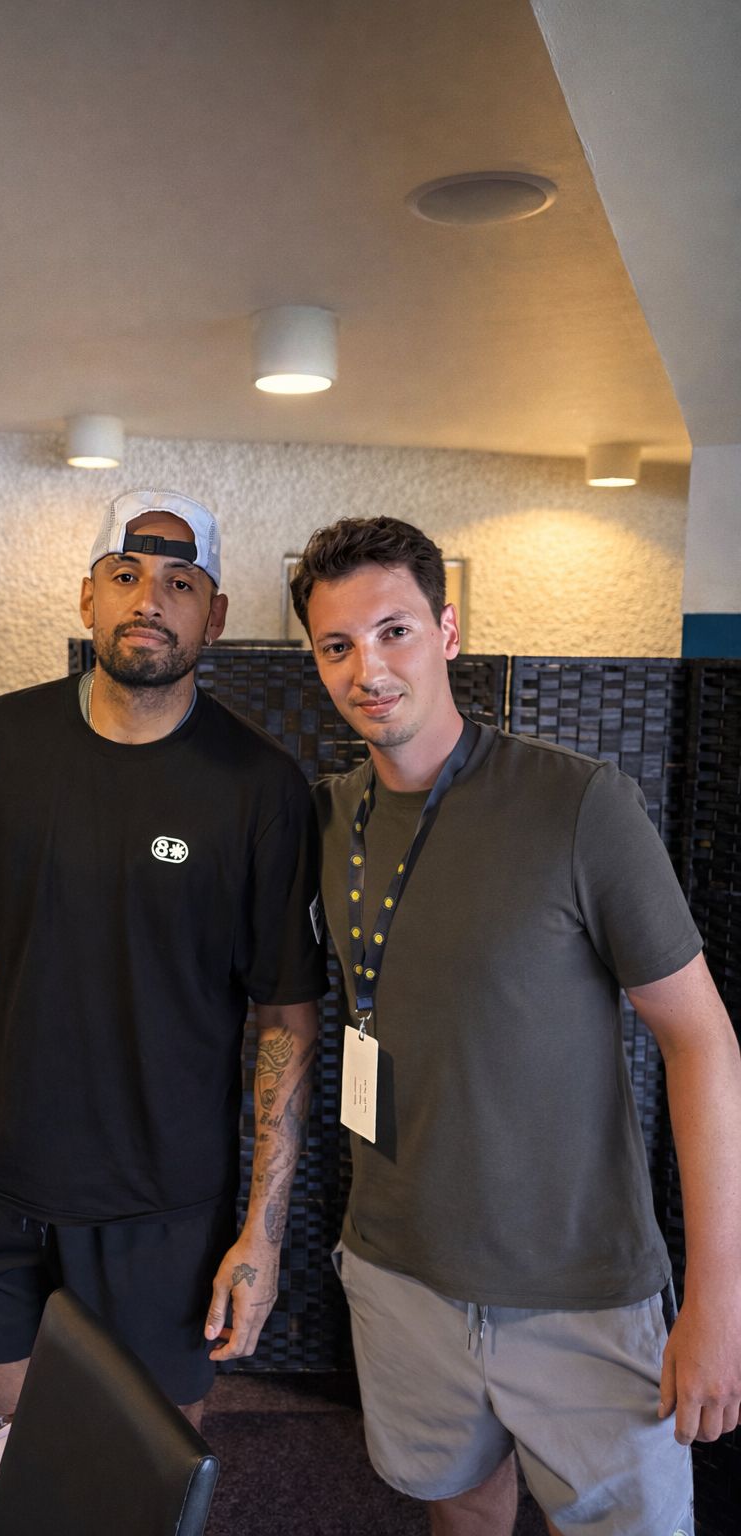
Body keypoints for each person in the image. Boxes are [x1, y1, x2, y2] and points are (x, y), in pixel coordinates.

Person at [0, 488, 325, 1513]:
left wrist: (261, 1231)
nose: (149, 599)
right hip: (9, 1169)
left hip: (165, 1195)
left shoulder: (260, 788)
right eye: (126, 575)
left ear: (215, 616)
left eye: (180, 583)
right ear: (88, 598)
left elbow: (285, 1018)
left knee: (146, 1471)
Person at [289, 515, 741, 1536]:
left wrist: (721, 1300)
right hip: (397, 1270)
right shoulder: (325, 818)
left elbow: (702, 1040)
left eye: (395, 631)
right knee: (459, 1508)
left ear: (448, 632)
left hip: (579, 1291)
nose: (368, 668)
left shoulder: (578, 805)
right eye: (337, 645)